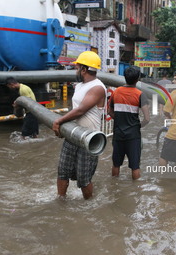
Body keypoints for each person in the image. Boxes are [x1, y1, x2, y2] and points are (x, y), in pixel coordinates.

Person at [52, 51, 106, 200]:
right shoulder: (79, 86)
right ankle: (60, 201)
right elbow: (75, 109)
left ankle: (87, 206)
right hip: (73, 134)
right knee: (63, 171)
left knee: (84, 178)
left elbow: (81, 110)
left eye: (77, 67)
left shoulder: (97, 88)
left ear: (84, 69)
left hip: (89, 139)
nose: (76, 70)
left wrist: (59, 121)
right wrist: (66, 126)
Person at [108, 66, 150, 180]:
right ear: (137, 79)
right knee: (135, 166)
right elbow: (147, 118)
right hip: (133, 136)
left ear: (125, 78)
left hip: (118, 134)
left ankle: (114, 187)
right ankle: (136, 192)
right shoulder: (140, 94)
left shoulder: (116, 92)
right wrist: (137, 126)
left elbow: (109, 111)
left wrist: (119, 120)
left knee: (116, 164)